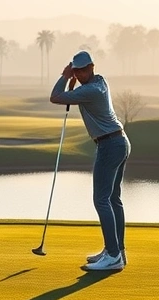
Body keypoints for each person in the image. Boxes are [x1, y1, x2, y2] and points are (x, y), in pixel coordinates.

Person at [50, 51, 130, 272]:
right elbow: (73, 95)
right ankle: (116, 251)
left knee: (101, 200)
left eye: (82, 70)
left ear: (91, 67)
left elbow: (55, 97)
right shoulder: (100, 82)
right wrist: (74, 80)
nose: (80, 73)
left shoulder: (90, 91)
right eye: (76, 70)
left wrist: (65, 76)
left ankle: (113, 256)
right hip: (119, 141)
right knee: (113, 199)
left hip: (109, 146)